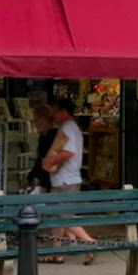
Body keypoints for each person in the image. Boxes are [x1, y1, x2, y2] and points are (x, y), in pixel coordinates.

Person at [41, 97, 95, 264]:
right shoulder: (72, 128)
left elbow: (68, 152)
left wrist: (50, 161)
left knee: (63, 217)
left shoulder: (68, 128)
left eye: (55, 111)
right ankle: (57, 252)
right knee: (57, 217)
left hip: (65, 180)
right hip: (67, 179)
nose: (53, 115)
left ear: (63, 112)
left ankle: (89, 242)